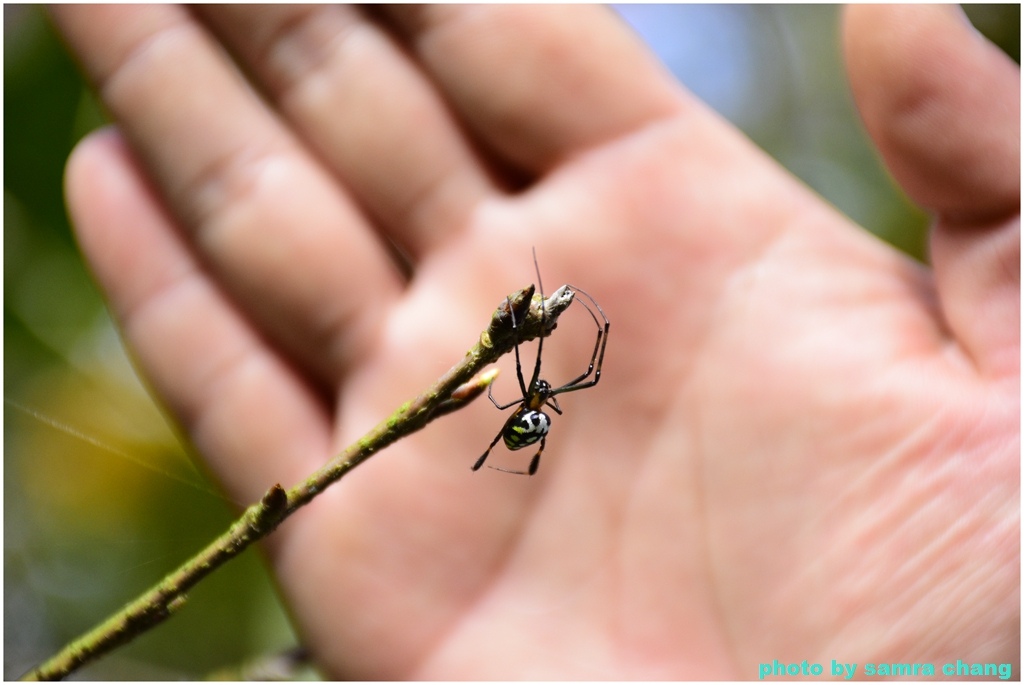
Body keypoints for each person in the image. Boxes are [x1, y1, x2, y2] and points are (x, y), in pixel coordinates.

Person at [50, 5, 1018, 679]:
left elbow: (545, 394)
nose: (537, 401)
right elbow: (539, 395)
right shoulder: (532, 396)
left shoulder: (536, 399)